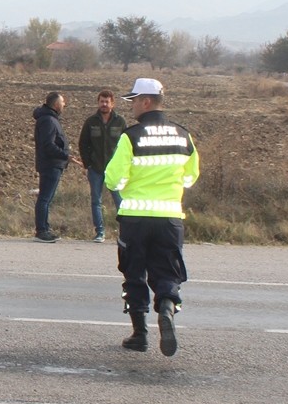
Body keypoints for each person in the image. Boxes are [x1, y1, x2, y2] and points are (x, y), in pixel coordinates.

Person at [105, 77, 200, 357]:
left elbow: (113, 179)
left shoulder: (130, 137)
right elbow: (191, 177)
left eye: (134, 100)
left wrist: (126, 185)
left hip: (135, 218)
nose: (132, 106)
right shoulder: (183, 136)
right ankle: (168, 310)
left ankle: (140, 335)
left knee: (134, 273)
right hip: (170, 218)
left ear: (146, 102)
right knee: (168, 271)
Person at [32, 92, 84, 242]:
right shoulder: (48, 120)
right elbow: (48, 145)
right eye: (62, 102)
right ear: (55, 104)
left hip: (53, 164)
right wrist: (65, 156)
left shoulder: (50, 119)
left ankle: (44, 229)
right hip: (50, 165)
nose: (64, 105)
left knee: (46, 198)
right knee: (44, 199)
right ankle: (42, 231)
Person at [78, 90, 127, 243]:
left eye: (107, 102)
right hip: (96, 169)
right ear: (98, 103)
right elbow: (83, 143)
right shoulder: (91, 121)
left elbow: (126, 145)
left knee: (120, 201)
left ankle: (125, 232)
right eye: (101, 101)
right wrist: (88, 164)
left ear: (112, 103)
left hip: (115, 169)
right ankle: (99, 232)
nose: (104, 104)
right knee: (96, 201)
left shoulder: (120, 122)